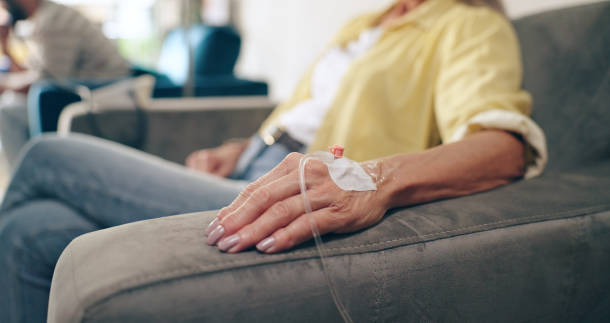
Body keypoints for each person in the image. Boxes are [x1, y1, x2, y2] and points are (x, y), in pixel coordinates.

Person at [0, 0, 548, 321]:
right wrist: (233, 151)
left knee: (50, 154)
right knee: (35, 228)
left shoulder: (468, 24)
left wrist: (371, 179)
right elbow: (298, 118)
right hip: (254, 169)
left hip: (298, 195)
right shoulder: (364, 26)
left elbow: (505, 145)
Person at [0, 0, 131, 165]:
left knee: (9, 110)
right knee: (11, 102)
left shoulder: (55, 21)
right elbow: (34, 74)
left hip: (101, 101)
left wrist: (5, 85)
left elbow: (45, 83)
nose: (4, 7)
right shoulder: (44, 19)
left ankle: (25, 183)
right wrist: (6, 47)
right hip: (77, 94)